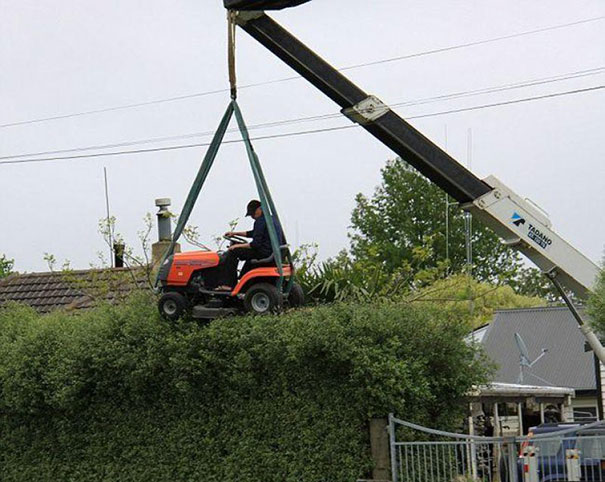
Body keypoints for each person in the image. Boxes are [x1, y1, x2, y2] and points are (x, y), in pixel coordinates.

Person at [216, 199, 285, 290]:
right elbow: (254, 233)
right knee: (239, 251)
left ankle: (228, 284)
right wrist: (235, 233)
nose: (252, 216)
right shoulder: (271, 219)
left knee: (233, 252)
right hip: (272, 252)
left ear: (260, 209)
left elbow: (255, 244)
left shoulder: (260, 221)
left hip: (264, 252)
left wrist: (236, 246)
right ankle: (242, 280)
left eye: (253, 214)